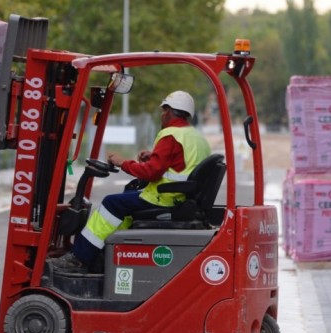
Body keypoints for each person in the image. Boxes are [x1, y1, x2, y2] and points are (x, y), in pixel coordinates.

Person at [50, 91, 211, 273]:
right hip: (180, 198)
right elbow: (184, 163)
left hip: (164, 197)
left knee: (111, 203)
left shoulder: (170, 134)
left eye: (163, 111)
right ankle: (106, 255)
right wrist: (154, 156)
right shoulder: (195, 137)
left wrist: (122, 162)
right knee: (126, 201)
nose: (161, 115)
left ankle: (79, 258)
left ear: (168, 111)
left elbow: (151, 172)